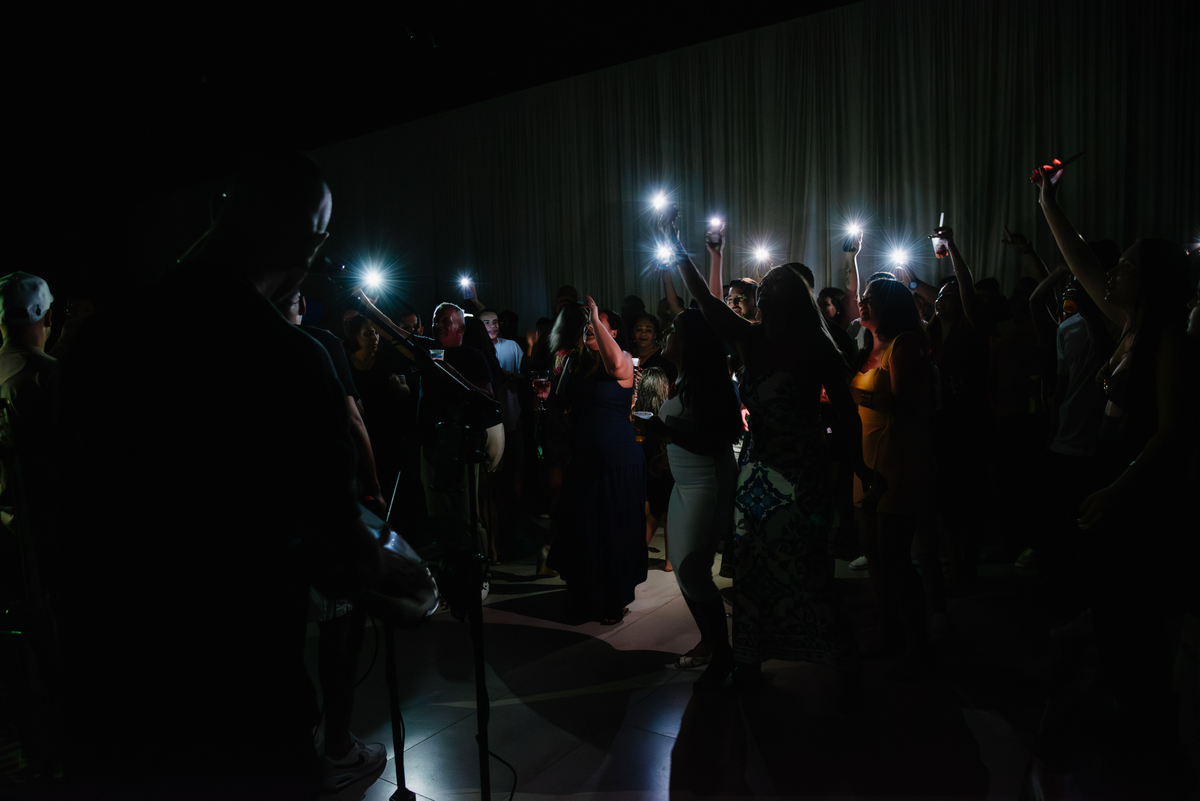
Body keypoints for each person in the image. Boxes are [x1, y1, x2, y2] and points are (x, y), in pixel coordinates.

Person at [54, 150, 390, 799]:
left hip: (115, 698)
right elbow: (333, 550)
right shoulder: (288, 359)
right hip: (240, 706)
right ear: (301, 237)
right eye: (319, 238)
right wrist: (408, 577)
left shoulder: (100, 341)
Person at [659, 207, 882, 696]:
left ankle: (840, 665)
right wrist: (677, 247)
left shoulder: (819, 350)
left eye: (772, 296)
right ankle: (750, 660)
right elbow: (705, 301)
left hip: (802, 475)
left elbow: (845, 414)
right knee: (755, 578)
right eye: (765, 296)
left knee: (807, 575)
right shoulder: (750, 341)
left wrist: (862, 467)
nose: (765, 302)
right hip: (756, 477)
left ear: (792, 303)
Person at [1032, 158, 1193, 765]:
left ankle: (1148, 739)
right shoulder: (1130, 323)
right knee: (1114, 613)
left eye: (1125, 264)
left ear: (1148, 278)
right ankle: (1128, 716)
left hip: (1144, 495)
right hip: (1117, 484)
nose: (1113, 271)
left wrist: (1116, 490)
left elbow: (1172, 434)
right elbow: (1081, 262)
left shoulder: (1169, 339)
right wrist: (1049, 205)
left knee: (1139, 619)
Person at [633, 309, 741, 670]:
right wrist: (666, 455)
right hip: (685, 482)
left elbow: (715, 438)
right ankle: (708, 640)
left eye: (674, 331)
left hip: (706, 483)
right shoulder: (687, 378)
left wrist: (663, 434)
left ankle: (722, 654)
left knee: (693, 569)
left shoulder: (708, 382)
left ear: (691, 342)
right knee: (681, 566)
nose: (666, 335)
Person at [851, 278, 937, 677]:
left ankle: (918, 641)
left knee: (895, 558)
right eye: (862, 298)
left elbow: (908, 404)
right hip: (868, 461)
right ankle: (889, 630)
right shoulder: (870, 345)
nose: (861, 303)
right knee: (873, 554)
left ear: (890, 305)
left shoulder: (904, 344)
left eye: (870, 299)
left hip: (898, 461)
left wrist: (856, 396)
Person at [546, 297, 645, 624]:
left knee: (611, 530)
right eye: (587, 322)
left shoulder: (625, 360)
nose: (590, 325)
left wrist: (593, 315)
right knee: (582, 528)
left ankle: (613, 599)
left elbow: (615, 366)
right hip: (584, 459)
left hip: (616, 461)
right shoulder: (574, 363)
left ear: (611, 331)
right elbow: (560, 403)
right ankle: (585, 595)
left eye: (598, 321)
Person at [0, 271, 61, 778]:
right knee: (55, 652)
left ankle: (35, 754)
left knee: (15, 651)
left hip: (2, 542)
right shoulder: (46, 377)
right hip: (45, 543)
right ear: (45, 316)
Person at [629, 312, 676, 382]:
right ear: (632, 334)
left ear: (655, 335)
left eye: (648, 330)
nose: (643, 333)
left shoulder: (664, 356)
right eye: (639, 330)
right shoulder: (627, 355)